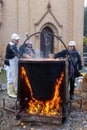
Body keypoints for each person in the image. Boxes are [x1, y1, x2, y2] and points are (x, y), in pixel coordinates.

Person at [4, 33, 20, 98]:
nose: (17, 41)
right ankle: (10, 93)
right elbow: (16, 53)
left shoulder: (14, 45)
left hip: (12, 64)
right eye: (16, 40)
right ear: (12, 39)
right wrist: (22, 56)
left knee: (14, 77)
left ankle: (13, 91)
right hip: (8, 64)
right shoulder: (11, 45)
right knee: (10, 78)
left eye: (18, 40)